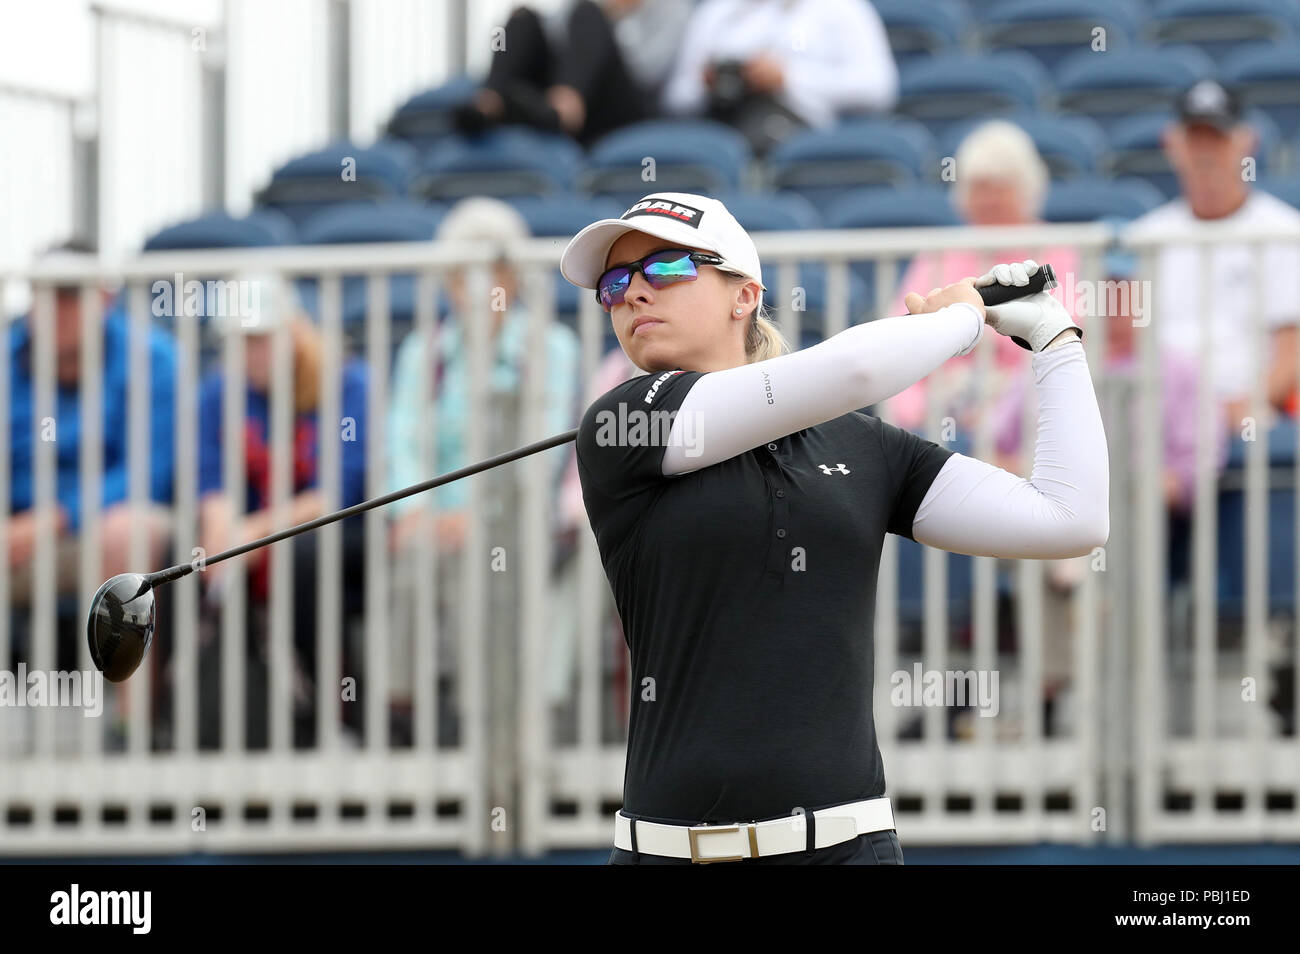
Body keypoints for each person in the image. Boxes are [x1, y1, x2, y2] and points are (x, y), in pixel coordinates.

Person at [560, 192, 1108, 863]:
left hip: (846, 850)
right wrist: (966, 317)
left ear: (744, 297)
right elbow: (852, 370)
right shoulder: (622, 425)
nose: (634, 295)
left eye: (665, 269)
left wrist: (1053, 337)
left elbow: (1070, 517)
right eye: (614, 285)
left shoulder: (866, 447)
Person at [387, 197, 580, 745]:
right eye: (459, 273)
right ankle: (408, 715)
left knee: (479, 553)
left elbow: (542, 452)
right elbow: (402, 445)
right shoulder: (421, 354)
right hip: (437, 522)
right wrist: (417, 509)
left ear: (511, 279)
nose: (474, 285)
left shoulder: (553, 347)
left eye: (489, 271)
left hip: (521, 518)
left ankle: (480, 730)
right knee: (418, 547)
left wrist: (478, 514)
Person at [195, 275, 369, 749]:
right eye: (242, 342)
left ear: (292, 332)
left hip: (335, 538)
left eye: (260, 339)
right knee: (182, 557)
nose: (250, 353)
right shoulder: (219, 392)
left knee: (306, 554)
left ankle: (334, 717)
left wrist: (250, 533)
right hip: (250, 542)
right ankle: (184, 725)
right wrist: (219, 539)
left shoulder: (347, 382)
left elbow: (338, 491)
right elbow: (212, 482)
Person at [7, 241, 175, 681]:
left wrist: (55, 519)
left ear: (104, 299)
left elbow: (149, 474)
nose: (54, 308)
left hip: (102, 529)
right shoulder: (7, 359)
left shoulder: (153, 358)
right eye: (45, 293)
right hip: (17, 532)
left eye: (69, 294)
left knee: (127, 534)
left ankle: (127, 732)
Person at [884, 119, 1081, 453]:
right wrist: (917, 412)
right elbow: (899, 333)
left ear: (1025, 189)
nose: (988, 199)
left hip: (1025, 421)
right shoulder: (941, 253)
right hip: (941, 415)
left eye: (999, 186)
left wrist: (997, 407)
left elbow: (1064, 335)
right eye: (978, 187)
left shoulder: (1056, 250)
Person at [1125, 79, 1300, 434]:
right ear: (1172, 143)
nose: (1205, 151)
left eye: (1216, 138)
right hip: (1157, 414)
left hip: (1246, 412)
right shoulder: (1144, 238)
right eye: (1195, 138)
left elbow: (1291, 349)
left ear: (1244, 141)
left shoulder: (1284, 231)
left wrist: (1247, 403)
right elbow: (1125, 342)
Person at [661, 0, 898, 152]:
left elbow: (878, 86)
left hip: (799, 125)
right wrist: (707, 83)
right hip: (718, 122)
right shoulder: (715, 12)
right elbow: (676, 97)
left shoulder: (840, 7)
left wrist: (787, 78)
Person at [453, 0, 693, 147]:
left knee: (588, 12)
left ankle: (562, 109)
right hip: (570, 88)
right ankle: (489, 103)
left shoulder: (672, 8)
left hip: (622, 106)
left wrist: (609, 25)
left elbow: (647, 73)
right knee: (523, 17)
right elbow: (557, 40)